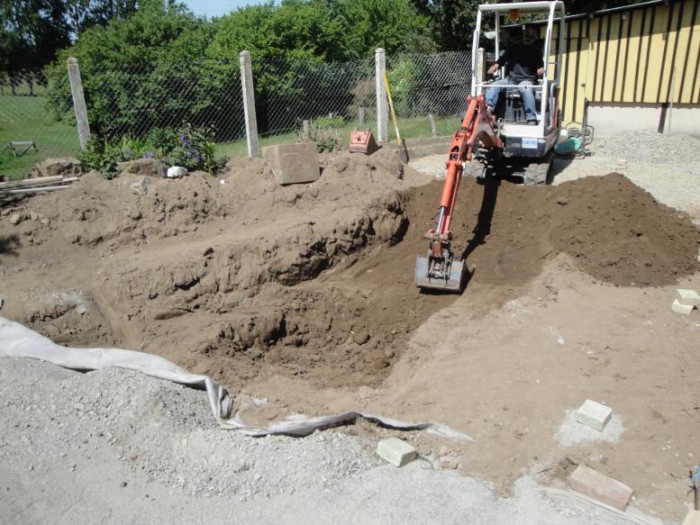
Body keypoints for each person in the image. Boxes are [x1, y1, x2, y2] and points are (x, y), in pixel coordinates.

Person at [485, 25, 545, 125]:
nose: (528, 38)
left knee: (525, 88)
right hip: (511, 80)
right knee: (496, 85)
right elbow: (502, 60)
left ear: (534, 39)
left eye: (531, 37)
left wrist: (541, 70)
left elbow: (540, 67)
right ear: (523, 35)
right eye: (527, 35)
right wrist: (495, 67)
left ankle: (531, 118)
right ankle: (488, 108)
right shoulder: (513, 48)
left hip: (527, 80)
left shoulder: (536, 52)